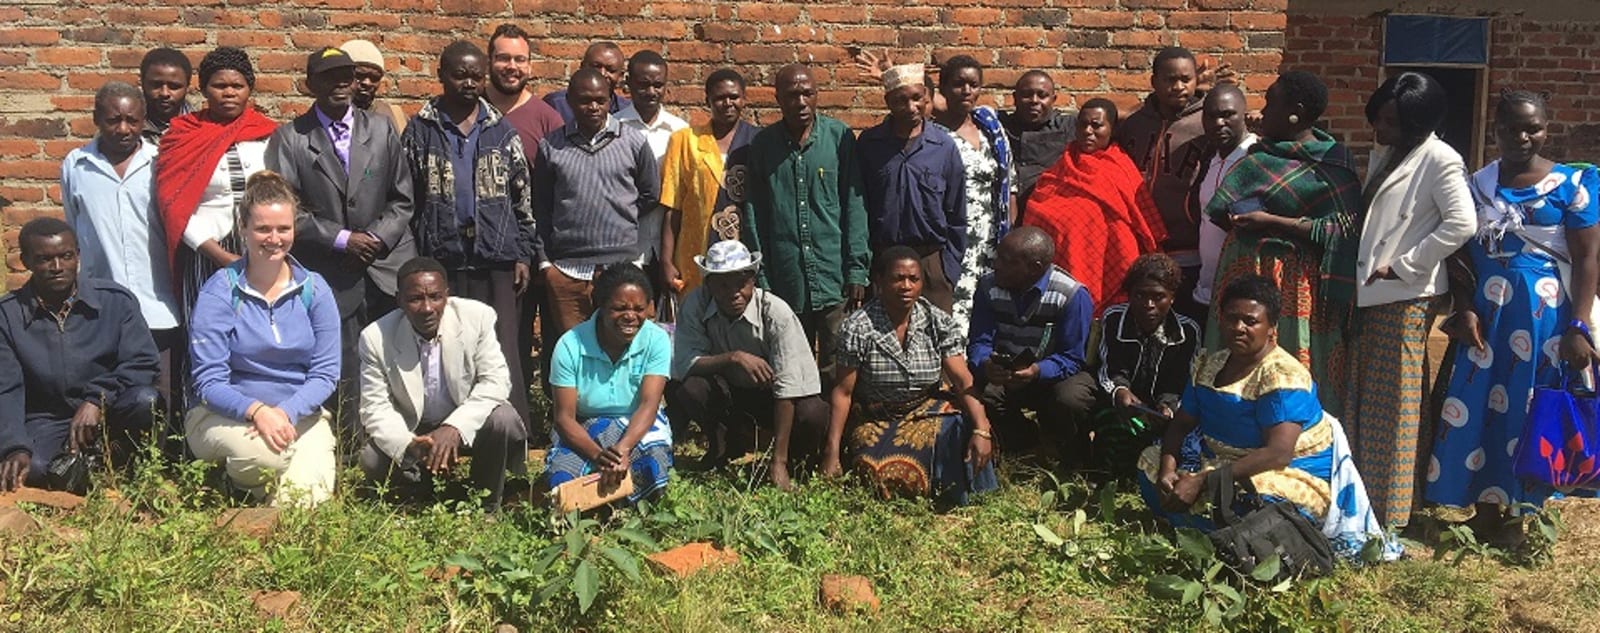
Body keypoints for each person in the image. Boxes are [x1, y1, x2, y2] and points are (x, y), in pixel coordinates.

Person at [1426, 91, 1600, 542]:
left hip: (1543, 320)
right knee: (1480, 406)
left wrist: (1577, 326)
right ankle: (1485, 511)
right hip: (1486, 316)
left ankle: (1521, 515)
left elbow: (1587, 260)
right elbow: (1460, 256)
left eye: (1534, 127)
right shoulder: (1475, 185)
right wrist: (1463, 309)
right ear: (1496, 129)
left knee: (1528, 410)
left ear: (1547, 127)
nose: (1523, 137)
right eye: (1512, 128)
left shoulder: (1571, 186)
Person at [1140, 275, 1391, 561]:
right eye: (1231, 318)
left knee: (1251, 499)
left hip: (1285, 472)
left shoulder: (1282, 376)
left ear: (1272, 328)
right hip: (1220, 463)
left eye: (1250, 321)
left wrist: (1203, 481)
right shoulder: (1210, 364)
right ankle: (1207, 534)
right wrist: (1167, 470)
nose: (1239, 328)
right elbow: (1182, 424)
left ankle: (1228, 543)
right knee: (1149, 460)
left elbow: (1278, 454)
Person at [1345, 72, 1475, 529]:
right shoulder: (1392, 152)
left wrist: (1406, 263)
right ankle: (1363, 496)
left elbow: (1461, 223)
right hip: (1373, 294)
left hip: (1404, 295)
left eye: (1391, 122)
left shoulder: (1440, 159)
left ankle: (1394, 511)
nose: (1379, 129)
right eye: (1378, 118)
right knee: (1368, 400)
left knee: (1397, 404)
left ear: (1420, 122)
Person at [266, 47, 416, 437]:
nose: (340, 85)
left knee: (399, 357)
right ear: (309, 84)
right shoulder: (290, 139)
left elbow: (403, 198)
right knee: (345, 362)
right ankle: (352, 450)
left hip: (387, 265)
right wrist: (342, 239)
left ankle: (405, 445)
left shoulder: (381, 129)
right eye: (329, 77)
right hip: (332, 271)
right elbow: (286, 211)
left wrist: (376, 238)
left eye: (346, 77)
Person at [1204, 71, 1361, 416]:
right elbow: (1219, 208)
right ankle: (1230, 430)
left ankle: (1292, 437)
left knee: (1292, 356)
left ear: (1296, 112)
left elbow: (1345, 229)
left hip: (1296, 283)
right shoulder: (1259, 156)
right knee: (1236, 354)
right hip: (1244, 270)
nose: (1261, 112)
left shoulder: (1333, 163)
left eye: (1270, 103)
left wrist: (1273, 222)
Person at [184, 172, 340, 508]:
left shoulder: (316, 290)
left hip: (299, 418)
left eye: (283, 229)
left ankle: (263, 494)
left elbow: (325, 373)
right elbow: (208, 380)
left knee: (303, 506)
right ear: (242, 228)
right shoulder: (220, 291)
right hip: (227, 418)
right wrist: (257, 411)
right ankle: (233, 482)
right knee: (264, 459)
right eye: (262, 229)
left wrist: (286, 412)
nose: (274, 238)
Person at [402, 40, 535, 429]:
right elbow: (406, 198)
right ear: (441, 75)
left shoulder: (500, 130)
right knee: (448, 350)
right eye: (460, 75)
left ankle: (510, 435)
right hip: (441, 258)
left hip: (496, 256)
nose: (469, 83)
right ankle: (448, 431)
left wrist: (523, 254)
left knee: (502, 347)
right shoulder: (420, 130)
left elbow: (521, 195)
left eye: (477, 76)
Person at [825, 246, 998, 505]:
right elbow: (843, 392)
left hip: (927, 408)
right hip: (877, 416)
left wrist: (982, 429)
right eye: (898, 278)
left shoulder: (938, 322)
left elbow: (962, 379)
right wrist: (832, 451)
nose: (906, 286)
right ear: (880, 282)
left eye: (913, 279)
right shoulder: (858, 327)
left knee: (963, 430)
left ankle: (970, 497)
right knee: (875, 469)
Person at [0, 219, 160, 492]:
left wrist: (96, 399)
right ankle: (80, 470)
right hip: (48, 419)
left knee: (146, 401)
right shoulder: (8, 315)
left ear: (78, 256)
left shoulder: (115, 301)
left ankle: (123, 469)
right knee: (33, 470)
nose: (58, 267)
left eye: (66, 256)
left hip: (110, 410)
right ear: (25, 261)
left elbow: (143, 363)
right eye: (44, 259)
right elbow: (7, 388)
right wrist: (14, 446)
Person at [357, 257, 528, 511]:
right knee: (371, 458)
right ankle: (416, 493)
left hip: (465, 421)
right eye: (415, 299)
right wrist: (409, 445)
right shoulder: (375, 337)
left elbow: (496, 382)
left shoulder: (477, 317)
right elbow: (374, 408)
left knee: (503, 419)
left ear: (447, 296)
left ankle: (486, 502)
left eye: (435, 297)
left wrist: (454, 426)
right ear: (399, 300)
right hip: (415, 429)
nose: (427, 308)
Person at [531, 68, 659, 385]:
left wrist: (618, 218)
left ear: (610, 101)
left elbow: (650, 194)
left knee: (630, 350)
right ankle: (576, 425)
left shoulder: (633, 141)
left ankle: (631, 422)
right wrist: (547, 265)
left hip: (622, 267)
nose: (593, 107)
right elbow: (541, 207)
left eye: (600, 100)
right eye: (584, 101)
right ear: (570, 101)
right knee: (575, 355)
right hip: (568, 271)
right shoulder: (552, 146)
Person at [62, 82, 182, 419]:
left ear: (144, 120)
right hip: (101, 305)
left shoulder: (160, 162)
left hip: (159, 302)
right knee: (105, 392)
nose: (124, 129)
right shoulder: (77, 165)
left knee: (159, 399)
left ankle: (160, 465)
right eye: (114, 120)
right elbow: (75, 230)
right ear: (96, 118)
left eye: (133, 120)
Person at [666, 240, 828, 488]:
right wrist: (734, 357)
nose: (733, 292)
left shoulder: (775, 312)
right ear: (708, 284)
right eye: (721, 284)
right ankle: (722, 448)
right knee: (689, 388)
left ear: (753, 280)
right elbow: (686, 363)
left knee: (813, 412)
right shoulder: (695, 304)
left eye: (741, 283)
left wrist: (778, 463)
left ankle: (794, 460)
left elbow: (789, 387)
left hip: (772, 397)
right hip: (728, 393)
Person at [743, 64, 871, 371]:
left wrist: (857, 270)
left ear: (817, 95)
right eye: (791, 95)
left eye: (807, 94)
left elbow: (854, 205)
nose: (800, 102)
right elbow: (754, 214)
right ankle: (801, 420)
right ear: (777, 99)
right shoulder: (764, 146)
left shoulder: (839, 137)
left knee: (838, 361)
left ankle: (836, 420)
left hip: (832, 275)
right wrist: (761, 277)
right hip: (787, 278)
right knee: (790, 362)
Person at [156, 46, 276, 323]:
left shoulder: (267, 133)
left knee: (257, 328)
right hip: (206, 252)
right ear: (204, 89)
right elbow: (172, 205)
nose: (229, 92)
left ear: (249, 89)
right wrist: (220, 255)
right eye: (219, 85)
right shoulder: (182, 135)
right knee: (208, 331)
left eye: (237, 85)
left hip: (263, 249)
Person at [966, 227, 1096, 464]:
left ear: (1035, 267)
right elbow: (979, 342)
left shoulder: (1071, 295)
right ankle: (1027, 444)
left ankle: (1073, 453)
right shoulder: (988, 287)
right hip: (1007, 373)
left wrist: (1038, 371)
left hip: (1056, 375)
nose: (996, 265)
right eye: (997, 256)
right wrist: (986, 363)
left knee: (1070, 399)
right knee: (981, 393)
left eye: (1006, 261)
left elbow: (1073, 358)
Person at [545, 264, 673, 503]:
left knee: (652, 465)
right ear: (601, 307)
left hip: (638, 423)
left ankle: (627, 511)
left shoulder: (657, 340)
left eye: (639, 308)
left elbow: (649, 405)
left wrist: (623, 449)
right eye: (619, 308)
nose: (630, 316)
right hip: (584, 427)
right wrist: (601, 456)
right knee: (563, 478)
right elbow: (564, 418)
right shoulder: (570, 345)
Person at [1023, 98, 1165, 305]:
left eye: (1096, 125)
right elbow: (1039, 208)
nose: (1088, 131)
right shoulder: (1063, 165)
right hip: (1066, 261)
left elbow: (1137, 219)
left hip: (1111, 261)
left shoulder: (1121, 168)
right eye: (1082, 124)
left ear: (1112, 129)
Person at [858, 63, 967, 312]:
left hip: (931, 264)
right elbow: (859, 206)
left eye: (917, 98)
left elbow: (957, 213)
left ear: (927, 97)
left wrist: (947, 269)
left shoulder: (944, 146)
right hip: (884, 263)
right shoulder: (869, 144)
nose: (911, 107)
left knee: (935, 343)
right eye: (900, 101)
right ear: (888, 102)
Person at [1117, 47, 1210, 322]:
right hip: (1140, 247)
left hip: (1189, 249)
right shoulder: (1134, 125)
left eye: (1186, 79)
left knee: (1186, 328)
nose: (1178, 87)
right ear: (1154, 82)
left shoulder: (1208, 124)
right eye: (1170, 79)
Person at [1092, 253, 1202, 475]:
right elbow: (1108, 367)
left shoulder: (1187, 331)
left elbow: (1182, 380)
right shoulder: (1114, 318)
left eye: (1158, 297)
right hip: (1121, 402)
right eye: (1140, 295)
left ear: (1172, 297)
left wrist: (1168, 407)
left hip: (1161, 411)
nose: (1148, 305)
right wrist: (1120, 390)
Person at [659, 68, 760, 296]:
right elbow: (672, 208)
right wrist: (666, 260)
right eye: (719, 98)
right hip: (695, 252)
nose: (727, 103)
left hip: (744, 252)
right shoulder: (685, 141)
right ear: (708, 100)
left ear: (744, 98)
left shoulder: (758, 141)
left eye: (733, 97)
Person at [933, 56, 1017, 328]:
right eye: (958, 84)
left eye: (973, 84)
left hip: (992, 240)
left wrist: (1010, 236)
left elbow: (1010, 186)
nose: (966, 91)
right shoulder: (934, 134)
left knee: (990, 313)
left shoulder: (991, 128)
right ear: (943, 88)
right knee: (956, 317)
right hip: (956, 241)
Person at [615, 51, 690, 297]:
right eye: (643, 84)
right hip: (627, 244)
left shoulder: (680, 130)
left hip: (670, 245)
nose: (651, 92)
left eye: (658, 85)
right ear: (629, 84)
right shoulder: (614, 127)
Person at [1190, 83, 1257, 313]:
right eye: (1210, 116)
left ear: (1244, 114)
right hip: (1206, 290)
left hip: (1243, 297)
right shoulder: (1211, 159)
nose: (1218, 123)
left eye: (1228, 115)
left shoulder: (1257, 158)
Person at [484, 23, 564, 162]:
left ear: (530, 66)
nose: (512, 66)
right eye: (503, 58)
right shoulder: (470, 108)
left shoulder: (548, 121)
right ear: (489, 62)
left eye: (520, 59)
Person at [1001, 70, 1073, 216]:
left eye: (1042, 95)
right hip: (1007, 217)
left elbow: (1109, 117)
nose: (1034, 100)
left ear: (1053, 99)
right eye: (1027, 95)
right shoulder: (999, 126)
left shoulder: (1068, 127)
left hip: (1049, 216)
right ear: (1015, 98)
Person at [542, 41, 631, 124]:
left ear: (620, 76)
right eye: (596, 66)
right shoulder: (557, 104)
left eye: (610, 70)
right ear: (582, 66)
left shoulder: (627, 110)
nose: (602, 74)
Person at [340, 39, 408, 134]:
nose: (367, 83)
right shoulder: (324, 118)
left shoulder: (396, 117)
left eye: (374, 78)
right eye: (359, 75)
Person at [138, 47, 194, 144]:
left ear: (187, 87)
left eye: (174, 86)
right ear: (142, 83)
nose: (165, 93)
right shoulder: (128, 129)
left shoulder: (201, 127)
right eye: (156, 85)